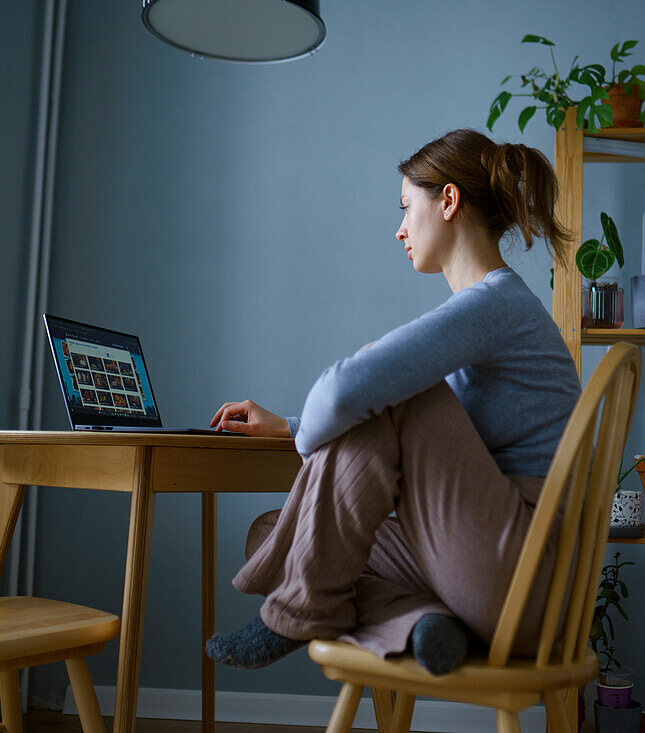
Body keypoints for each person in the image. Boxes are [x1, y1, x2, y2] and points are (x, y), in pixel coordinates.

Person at [204, 129, 581, 676]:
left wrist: (311, 434)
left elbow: (345, 392)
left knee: (388, 388)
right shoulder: (490, 311)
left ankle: (297, 612)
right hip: (489, 568)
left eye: (407, 207)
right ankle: (420, 623)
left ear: (448, 201)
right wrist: (289, 426)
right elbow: (366, 415)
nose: (399, 228)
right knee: (275, 538)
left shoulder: (495, 305)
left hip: (525, 577)